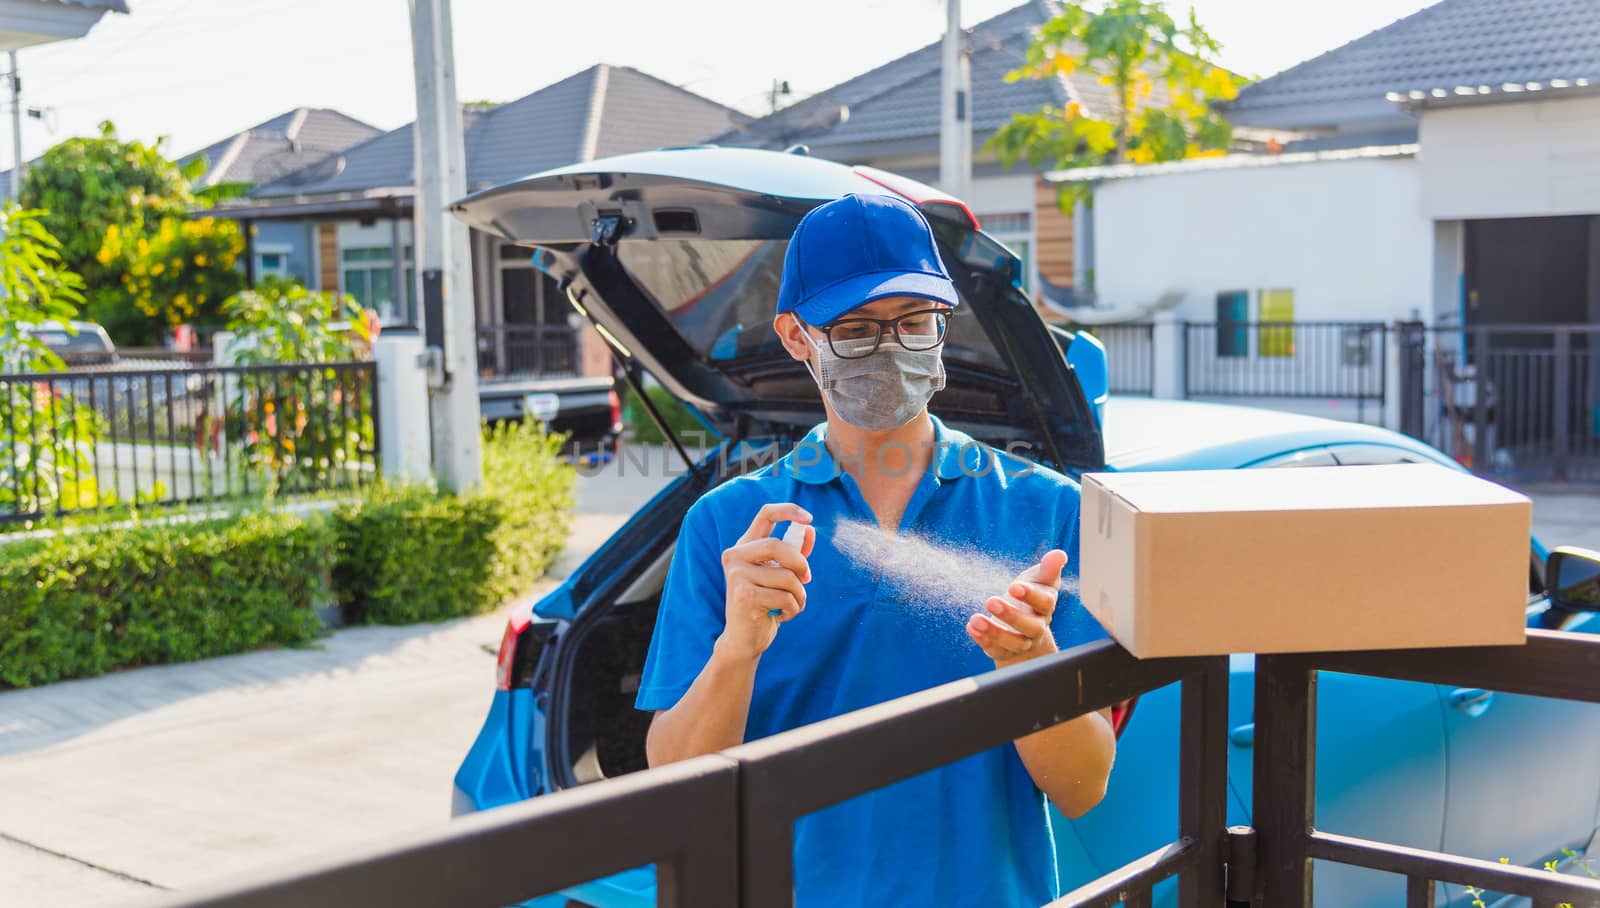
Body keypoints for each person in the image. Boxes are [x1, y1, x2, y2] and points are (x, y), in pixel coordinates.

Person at [634, 192, 1116, 907]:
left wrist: (1030, 663)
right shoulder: (728, 529)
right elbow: (674, 790)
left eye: (915, 322)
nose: (890, 348)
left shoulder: (1049, 511)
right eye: (856, 329)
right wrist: (737, 649)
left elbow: (1083, 789)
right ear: (797, 337)